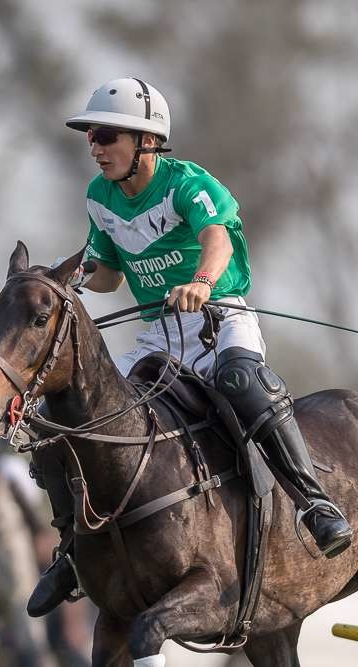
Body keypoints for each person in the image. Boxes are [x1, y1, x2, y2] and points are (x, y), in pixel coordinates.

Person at [26, 78, 353, 617]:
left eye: (106, 135)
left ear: (147, 142)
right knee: (60, 416)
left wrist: (202, 281)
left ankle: (314, 503)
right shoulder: (99, 197)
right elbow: (108, 273)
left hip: (221, 317)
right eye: (91, 137)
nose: (96, 147)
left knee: (243, 382)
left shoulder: (187, 184)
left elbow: (217, 237)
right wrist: (68, 278)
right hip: (160, 334)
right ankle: (70, 551)